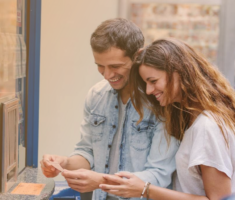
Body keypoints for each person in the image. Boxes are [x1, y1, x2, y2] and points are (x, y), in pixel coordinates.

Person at [40, 19, 178, 200]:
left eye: (115, 66)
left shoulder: (160, 101)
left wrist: (100, 181)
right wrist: (65, 162)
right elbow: (87, 152)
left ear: (138, 56)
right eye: (100, 66)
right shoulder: (96, 96)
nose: (107, 75)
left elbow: (158, 175)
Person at [99, 38, 235, 200]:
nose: (148, 90)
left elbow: (218, 199)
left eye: (153, 81)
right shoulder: (195, 119)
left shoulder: (206, 127)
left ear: (179, 72)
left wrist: (145, 189)